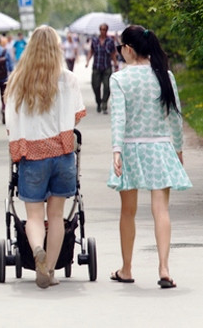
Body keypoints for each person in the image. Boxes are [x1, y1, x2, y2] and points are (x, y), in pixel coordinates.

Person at [107, 25, 191, 289]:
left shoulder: (120, 79)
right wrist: (178, 151)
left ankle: (127, 268)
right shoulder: (165, 76)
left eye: (120, 48)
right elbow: (175, 119)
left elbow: (118, 118)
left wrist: (116, 150)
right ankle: (164, 268)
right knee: (161, 210)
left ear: (129, 50)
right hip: (160, 148)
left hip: (131, 148)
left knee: (128, 211)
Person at [4, 25, 86, 288]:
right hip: (62, 156)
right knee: (58, 214)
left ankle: (36, 248)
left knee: (35, 216)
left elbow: (10, 122)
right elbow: (76, 117)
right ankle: (49, 270)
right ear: (56, 48)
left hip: (33, 156)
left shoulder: (18, 81)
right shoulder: (68, 79)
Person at [85, 23, 118, 114]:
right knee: (95, 86)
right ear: (99, 30)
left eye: (105, 30)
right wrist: (87, 61)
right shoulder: (95, 40)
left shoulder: (110, 41)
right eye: (101, 29)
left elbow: (113, 53)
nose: (103, 31)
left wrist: (115, 64)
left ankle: (104, 104)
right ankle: (98, 102)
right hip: (97, 66)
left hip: (107, 66)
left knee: (107, 86)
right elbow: (91, 51)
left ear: (107, 30)